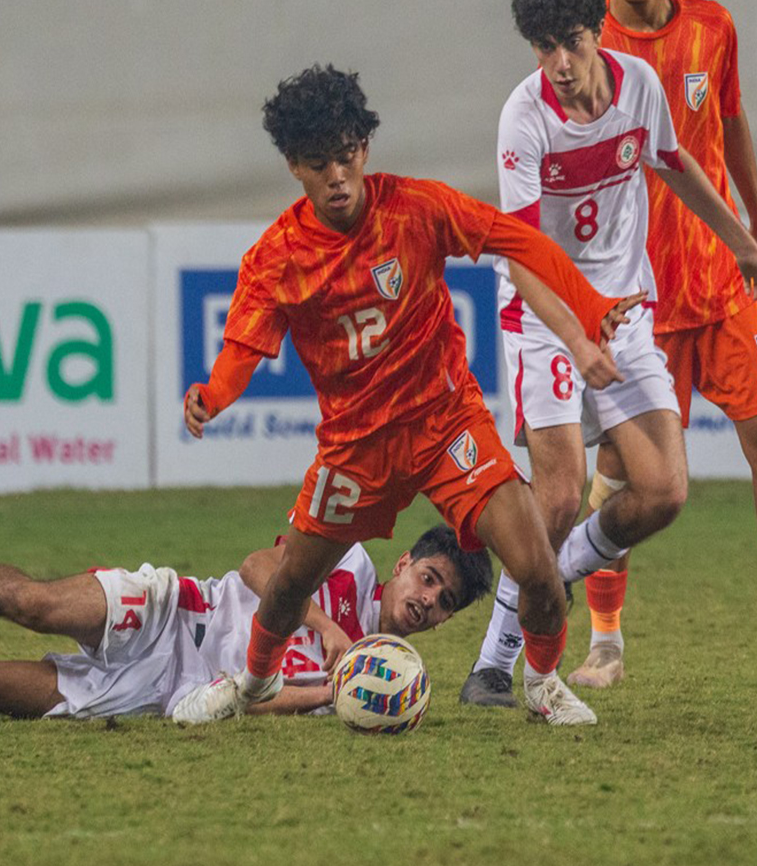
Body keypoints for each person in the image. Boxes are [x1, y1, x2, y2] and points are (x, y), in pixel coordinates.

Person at [172, 65, 643, 727]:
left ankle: (542, 685)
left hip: (447, 424)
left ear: (364, 148)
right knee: (289, 583)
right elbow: (243, 349)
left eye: (346, 156)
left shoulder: (415, 209)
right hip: (356, 447)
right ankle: (250, 685)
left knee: (537, 563)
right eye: (319, 164)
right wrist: (214, 395)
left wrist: (589, 305)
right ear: (294, 166)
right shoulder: (277, 257)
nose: (338, 176)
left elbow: (519, 240)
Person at [461, 0, 757, 706]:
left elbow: (677, 166)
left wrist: (744, 245)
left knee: (664, 491)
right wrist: (576, 336)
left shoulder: (639, 86)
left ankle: (549, 578)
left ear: (596, 32)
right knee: (558, 496)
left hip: (625, 314)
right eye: (543, 47)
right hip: (544, 318)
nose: (558, 63)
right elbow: (521, 256)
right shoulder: (523, 118)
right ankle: (493, 663)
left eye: (571, 42)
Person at [0, 525, 491, 721]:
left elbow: (264, 701)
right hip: (174, 612)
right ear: (403, 564)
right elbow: (256, 567)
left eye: (444, 603)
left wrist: (329, 694)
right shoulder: (350, 562)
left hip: (162, 693)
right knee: (34, 605)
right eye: (429, 579)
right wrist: (326, 627)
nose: (428, 601)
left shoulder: (381, 680)